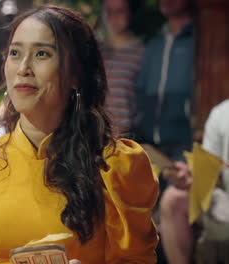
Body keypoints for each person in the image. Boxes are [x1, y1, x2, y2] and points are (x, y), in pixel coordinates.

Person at [0, 6, 158, 264]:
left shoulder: (115, 165)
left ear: (76, 74)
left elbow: (135, 259)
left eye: (41, 54)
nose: (23, 67)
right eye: (15, 53)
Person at [160, 99, 229, 264]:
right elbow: (210, 176)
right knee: (173, 199)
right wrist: (193, 180)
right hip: (225, 202)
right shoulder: (220, 114)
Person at [135, 0, 194, 161]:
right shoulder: (154, 43)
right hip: (149, 141)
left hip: (185, 142)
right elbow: (141, 89)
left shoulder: (198, 40)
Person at [102, 0, 144, 137]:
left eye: (120, 11)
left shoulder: (141, 52)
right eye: (109, 11)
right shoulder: (94, 50)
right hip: (94, 138)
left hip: (127, 139)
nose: (113, 17)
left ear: (130, 13)